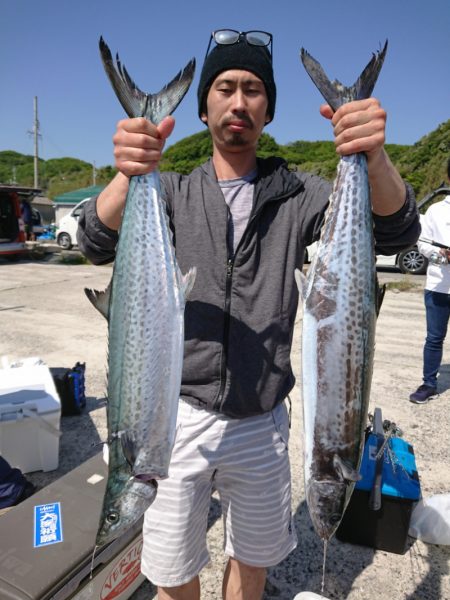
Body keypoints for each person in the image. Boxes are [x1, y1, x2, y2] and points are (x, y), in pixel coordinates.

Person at [78, 30, 420, 600]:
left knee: (253, 563)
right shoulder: (169, 191)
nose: (239, 101)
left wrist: (373, 157)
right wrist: (128, 169)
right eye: (225, 87)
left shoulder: (301, 195)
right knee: (169, 569)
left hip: (262, 424)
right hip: (174, 418)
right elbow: (93, 240)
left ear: (268, 109)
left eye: (254, 89)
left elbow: (397, 230)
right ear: (205, 103)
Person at [409, 159, 450, 404]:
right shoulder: (436, 210)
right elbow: (422, 244)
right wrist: (441, 256)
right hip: (438, 286)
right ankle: (429, 383)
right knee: (434, 338)